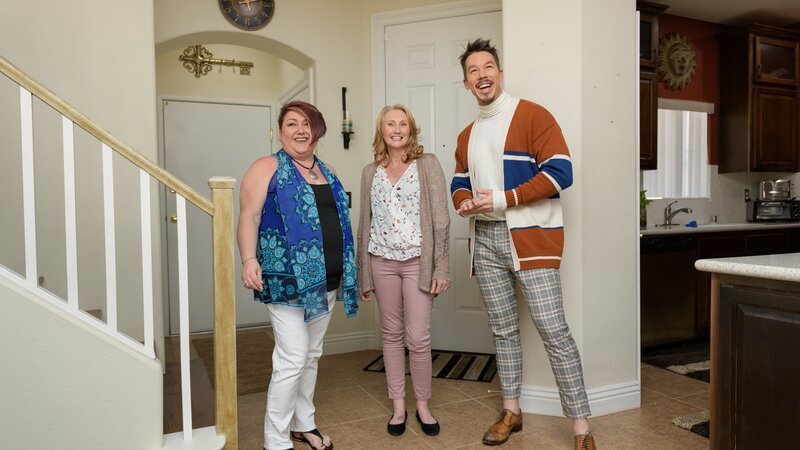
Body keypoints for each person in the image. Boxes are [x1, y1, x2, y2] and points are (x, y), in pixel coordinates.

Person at [450, 39, 596, 450]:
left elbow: (561, 172)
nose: (482, 74)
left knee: (554, 331)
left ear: (500, 73)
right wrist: (464, 202)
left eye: (488, 66)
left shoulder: (532, 115)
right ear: (466, 83)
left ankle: (581, 427)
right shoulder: (467, 135)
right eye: (473, 70)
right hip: (486, 239)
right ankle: (511, 411)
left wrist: (503, 198)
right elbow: (459, 180)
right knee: (503, 331)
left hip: (532, 239)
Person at [237, 100, 358, 450]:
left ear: (317, 130)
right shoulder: (266, 167)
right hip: (287, 280)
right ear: (280, 131)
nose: (300, 130)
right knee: (291, 358)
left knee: (311, 354)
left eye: (307, 124)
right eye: (292, 124)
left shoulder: (327, 170)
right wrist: (248, 259)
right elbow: (249, 216)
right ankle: (275, 440)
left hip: (327, 279)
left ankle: (303, 423)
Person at [357, 104, 450, 437]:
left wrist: (441, 265)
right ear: (381, 131)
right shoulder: (371, 171)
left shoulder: (428, 165)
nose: (396, 129)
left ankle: (422, 405)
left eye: (402, 124)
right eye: (389, 124)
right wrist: (362, 274)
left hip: (417, 263)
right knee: (391, 336)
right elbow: (364, 223)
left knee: (418, 338)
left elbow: (440, 219)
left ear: (411, 129)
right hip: (381, 261)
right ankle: (398, 405)